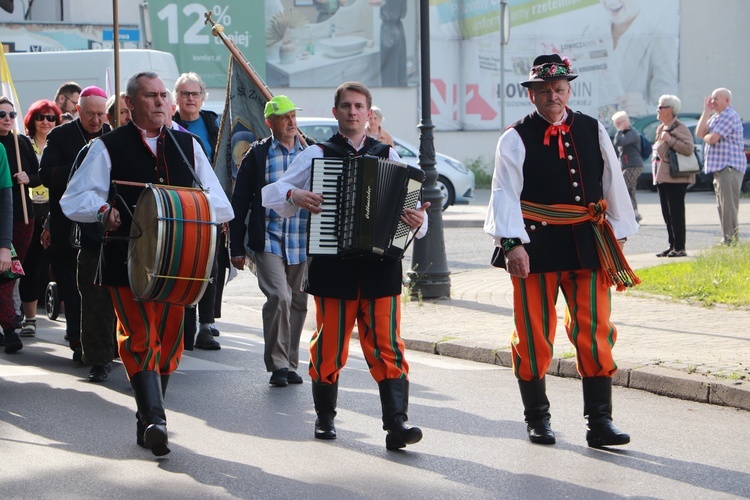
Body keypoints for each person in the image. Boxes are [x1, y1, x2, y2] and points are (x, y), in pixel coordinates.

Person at [60, 71, 233, 456]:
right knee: (140, 335)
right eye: (150, 96)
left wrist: (197, 209)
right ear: (131, 104)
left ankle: (146, 418)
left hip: (180, 261)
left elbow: (221, 204)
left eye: (162, 96)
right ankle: (156, 419)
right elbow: (73, 200)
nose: (159, 102)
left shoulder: (188, 146)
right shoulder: (107, 147)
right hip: (127, 257)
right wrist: (103, 209)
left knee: (170, 342)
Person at [262, 81, 429, 450]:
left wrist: (418, 220)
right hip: (333, 265)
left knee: (389, 345)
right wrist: (295, 194)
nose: (353, 112)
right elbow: (271, 194)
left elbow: (414, 209)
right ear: (335, 111)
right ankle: (325, 418)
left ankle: (397, 424)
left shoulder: (389, 155)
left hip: (380, 266)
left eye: (359, 107)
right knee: (330, 346)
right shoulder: (316, 154)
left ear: (369, 114)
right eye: (346, 106)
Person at [484, 54, 639, 448]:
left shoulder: (592, 127)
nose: (553, 96)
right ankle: (538, 419)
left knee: (595, 330)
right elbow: (504, 193)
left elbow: (611, 182)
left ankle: (600, 423)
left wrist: (618, 233)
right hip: (534, 247)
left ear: (568, 90)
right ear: (532, 95)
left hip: (587, 243)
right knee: (534, 335)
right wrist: (512, 243)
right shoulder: (514, 137)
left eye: (559, 89)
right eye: (545, 90)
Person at [230, 95, 314, 387]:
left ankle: (291, 363)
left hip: (302, 239)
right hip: (268, 239)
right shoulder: (257, 154)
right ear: (270, 123)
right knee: (279, 296)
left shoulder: (312, 151)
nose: (292, 122)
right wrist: (236, 247)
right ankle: (278, 365)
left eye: (294, 116)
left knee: (299, 302)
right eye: (284, 117)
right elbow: (239, 203)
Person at [39, 86, 111, 363]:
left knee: (99, 284)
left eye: (101, 114)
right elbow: (45, 175)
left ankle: (103, 339)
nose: (96, 120)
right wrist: (82, 170)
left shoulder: (110, 135)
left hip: (99, 224)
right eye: (90, 114)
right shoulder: (60, 135)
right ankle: (78, 338)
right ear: (78, 110)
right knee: (72, 285)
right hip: (65, 223)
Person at [172, 72, 224, 350]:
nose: (190, 99)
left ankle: (206, 325)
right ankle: (184, 325)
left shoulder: (213, 124)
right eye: (184, 94)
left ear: (203, 97)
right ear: (176, 97)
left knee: (210, 265)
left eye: (195, 94)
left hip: (210, 205)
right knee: (184, 264)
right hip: (180, 205)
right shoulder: (169, 126)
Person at [18, 100, 62, 338]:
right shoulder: (24, 144)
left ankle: (72, 320)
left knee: (60, 263)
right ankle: (31, 318)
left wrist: (34, 178)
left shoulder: (59, 144)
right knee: (31, 264)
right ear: (31, 120)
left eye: (51, 117)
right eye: (41, 117)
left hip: (54, 207)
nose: (46, 122)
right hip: (31, 209)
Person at [0, 96, 40, 354]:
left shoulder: (21, 142)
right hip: (5, 216)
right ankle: (9, 324)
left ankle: (8, 320)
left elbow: (40, 176)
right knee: (5, 274)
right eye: (1, 114)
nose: (7, 119)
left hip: (21, 217)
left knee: (10, 272)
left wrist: (29, 177)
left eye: (11, 115)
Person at [695, 88, 746, 246]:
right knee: (722, 205)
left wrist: (707, 136)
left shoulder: (728, 115)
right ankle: (727, 238)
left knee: (728, 205)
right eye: (712, 98)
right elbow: (699, 133)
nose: (713, 101)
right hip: (719, 168)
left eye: (716, 98)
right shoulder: (715, 117)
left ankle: (730, 240)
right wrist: (706, 112)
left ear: (727, 101)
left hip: (729, 167)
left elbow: (713, 139)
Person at [652, 95, 695, 258]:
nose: (658, 109)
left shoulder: (679, 127)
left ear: (670, 110)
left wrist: (670, 140)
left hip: (676, 177)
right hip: (662, 176)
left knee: (676, 212)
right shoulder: (660, 127)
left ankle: (680, 247)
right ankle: (672, 245)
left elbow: (688, 148)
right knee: (666, 213)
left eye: (661, 107)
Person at [611, 110, 643, 223]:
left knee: (623, 188)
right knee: (630, 190)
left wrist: (619, 131)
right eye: (615, 124)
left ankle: (632, 214)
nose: (616, 126)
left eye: (618, 123)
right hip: (628, 165)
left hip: (633, 165)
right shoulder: (628, 133)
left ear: (624, 122)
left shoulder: (632, 133)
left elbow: (618, 142)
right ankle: (635, 214)